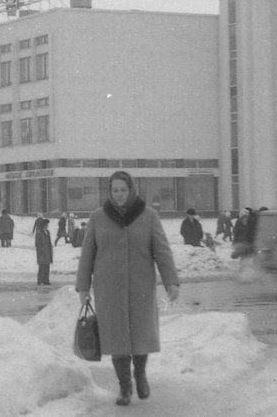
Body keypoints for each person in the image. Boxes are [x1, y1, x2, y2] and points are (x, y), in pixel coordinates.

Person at [77, 171, 179, 407]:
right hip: (109, 289)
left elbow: (162, 251)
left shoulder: (149, 216)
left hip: (140, 286)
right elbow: (87, 255)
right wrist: (83, 287)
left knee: (141, 335)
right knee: (116, 339)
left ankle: (140, 375)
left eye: (123, 190)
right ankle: (124, 386)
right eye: (115, 190)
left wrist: (171, 281)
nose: (119, 195)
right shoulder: (98, 217)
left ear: (131, 190)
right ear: (109, 192)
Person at [35, 217, 53, 286]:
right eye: (46, 225)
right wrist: (41, 251)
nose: (47, 226)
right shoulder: (39, 232)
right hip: (42, 253)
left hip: (47, 252)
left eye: (47, 225)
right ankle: (40, 280)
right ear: (43, 225)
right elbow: (37, 243)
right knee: (42, 267)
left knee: (47, 267)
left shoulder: (47, 232)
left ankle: (46, 280)